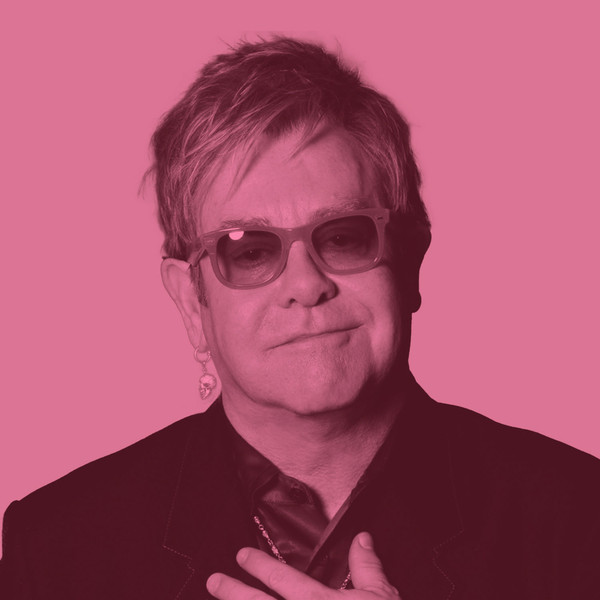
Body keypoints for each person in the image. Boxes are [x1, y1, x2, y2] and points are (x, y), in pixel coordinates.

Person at [1, 36, 599, 600]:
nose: (307, 286)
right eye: (250, 252)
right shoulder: (54, 548)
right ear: (190, 301)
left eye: (343, 237)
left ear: (410, 263)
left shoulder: (580, 517)